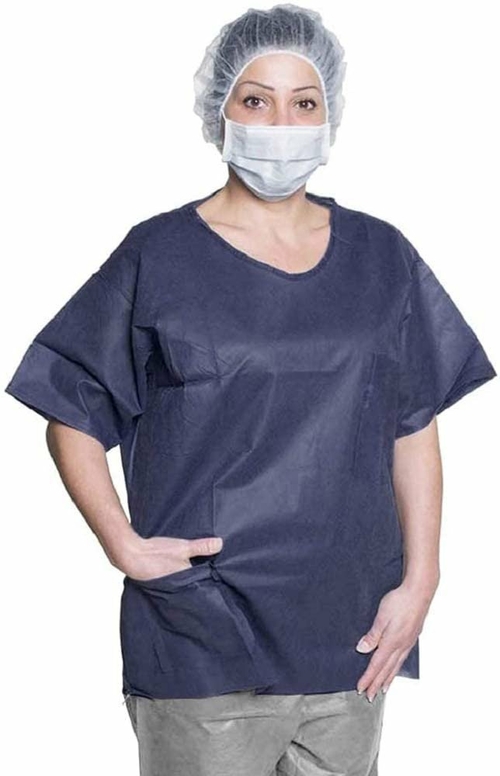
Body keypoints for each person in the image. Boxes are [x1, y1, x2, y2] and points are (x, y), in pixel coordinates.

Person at [4, 4, 497, 775]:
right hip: (204, 634)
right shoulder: (160, 255)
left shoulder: (381, 255)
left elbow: (412, 422)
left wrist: (422, 581)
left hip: (350, 634)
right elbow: (71, 404)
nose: (282, 123)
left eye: (305, 102)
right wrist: (122, 543)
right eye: (257, 100)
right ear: (220, 111)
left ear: (330, 115)